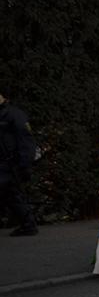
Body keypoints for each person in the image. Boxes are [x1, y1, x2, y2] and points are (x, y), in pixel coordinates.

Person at [0, 89, 38, 236]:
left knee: (12, 193)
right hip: (6, 163)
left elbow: (26, 141)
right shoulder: (9, 114)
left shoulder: (14, 114)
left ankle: (28, 224)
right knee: (12, 194)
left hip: (10, 163)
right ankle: (28, 224)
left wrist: (25, 164)